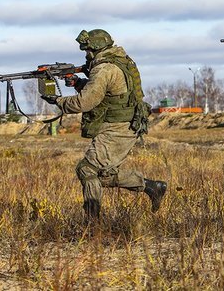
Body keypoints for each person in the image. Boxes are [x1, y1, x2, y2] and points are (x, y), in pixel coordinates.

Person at [41, 29, 167, 220]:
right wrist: (77, 83)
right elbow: (108, 94)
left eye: (87, 50)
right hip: (122, 124)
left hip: (119, 127)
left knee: (87, 169)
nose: (86, 54)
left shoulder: (103, 69)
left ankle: (93, 223)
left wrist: (58, 101)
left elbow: (85, 102)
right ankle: (153, 187)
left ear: (94, 49)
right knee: (104, 176)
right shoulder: (119, 60)